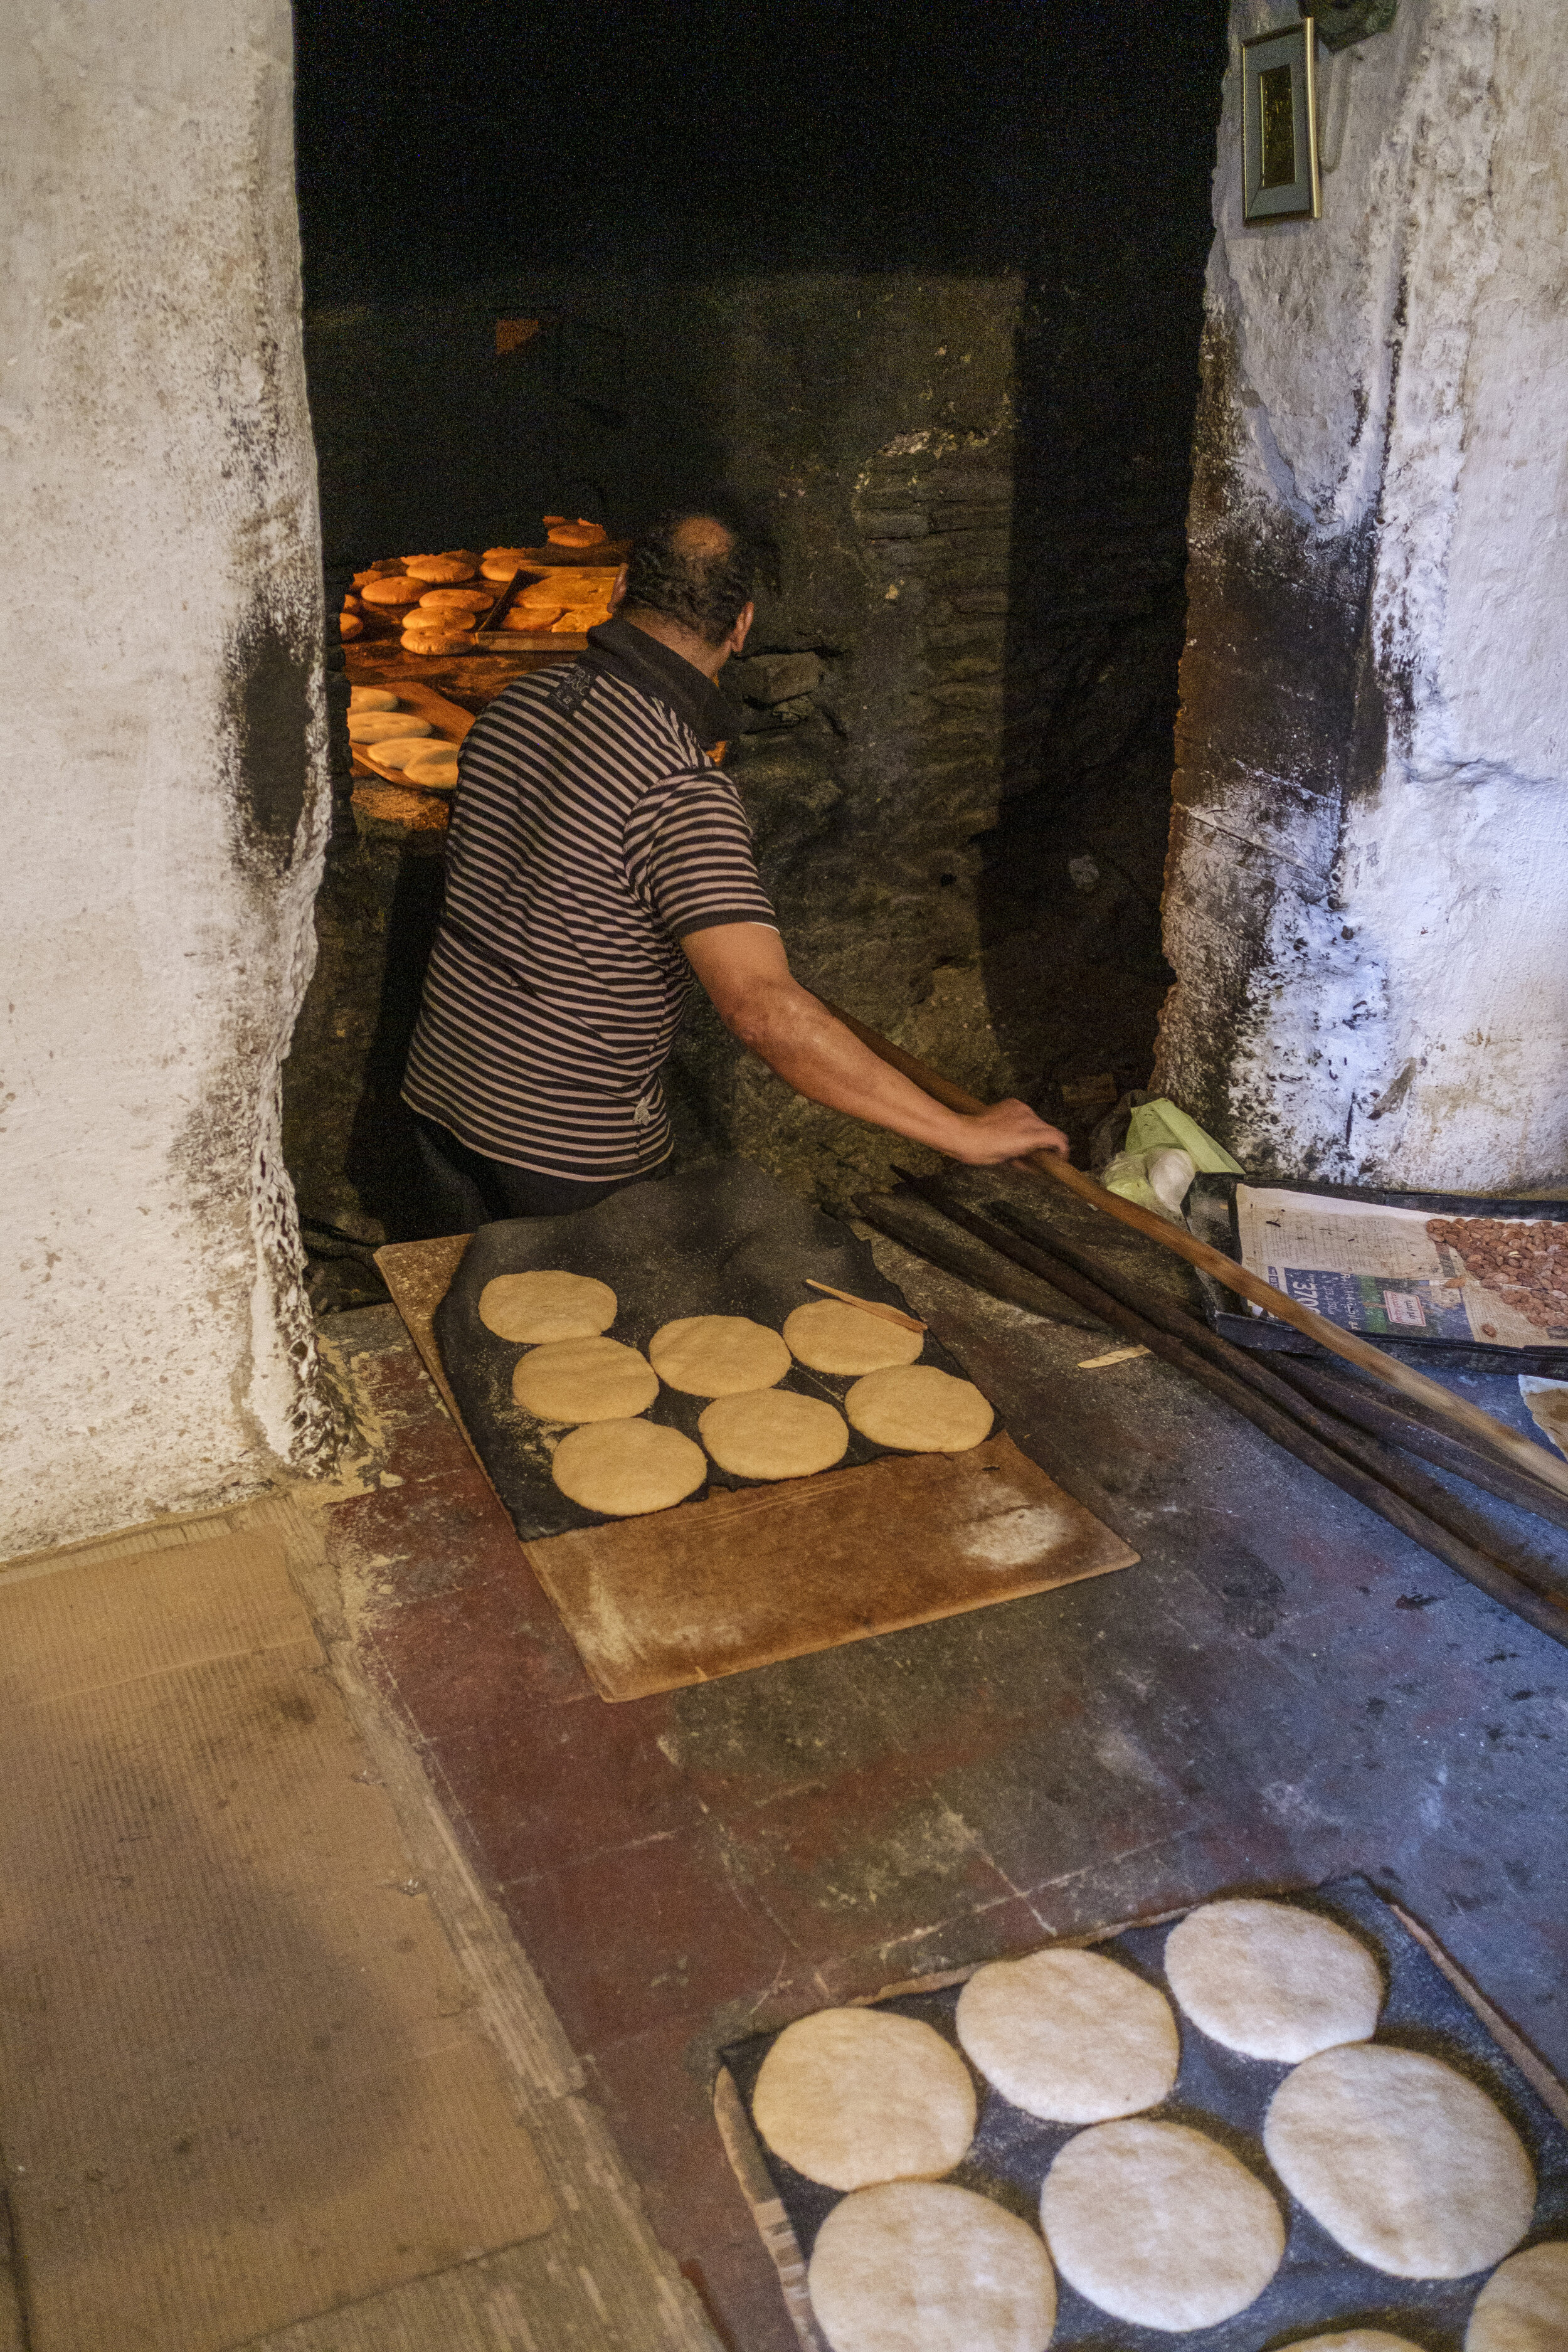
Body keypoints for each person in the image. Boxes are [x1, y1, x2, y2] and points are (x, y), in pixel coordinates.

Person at [401, 508, 1067, 1227]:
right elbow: (761, 1011)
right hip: (568, 1147)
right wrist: (960, 1131)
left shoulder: (517, 706)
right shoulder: (679, 788)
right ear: (742, 625)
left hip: (441, 1090)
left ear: (618, 587)